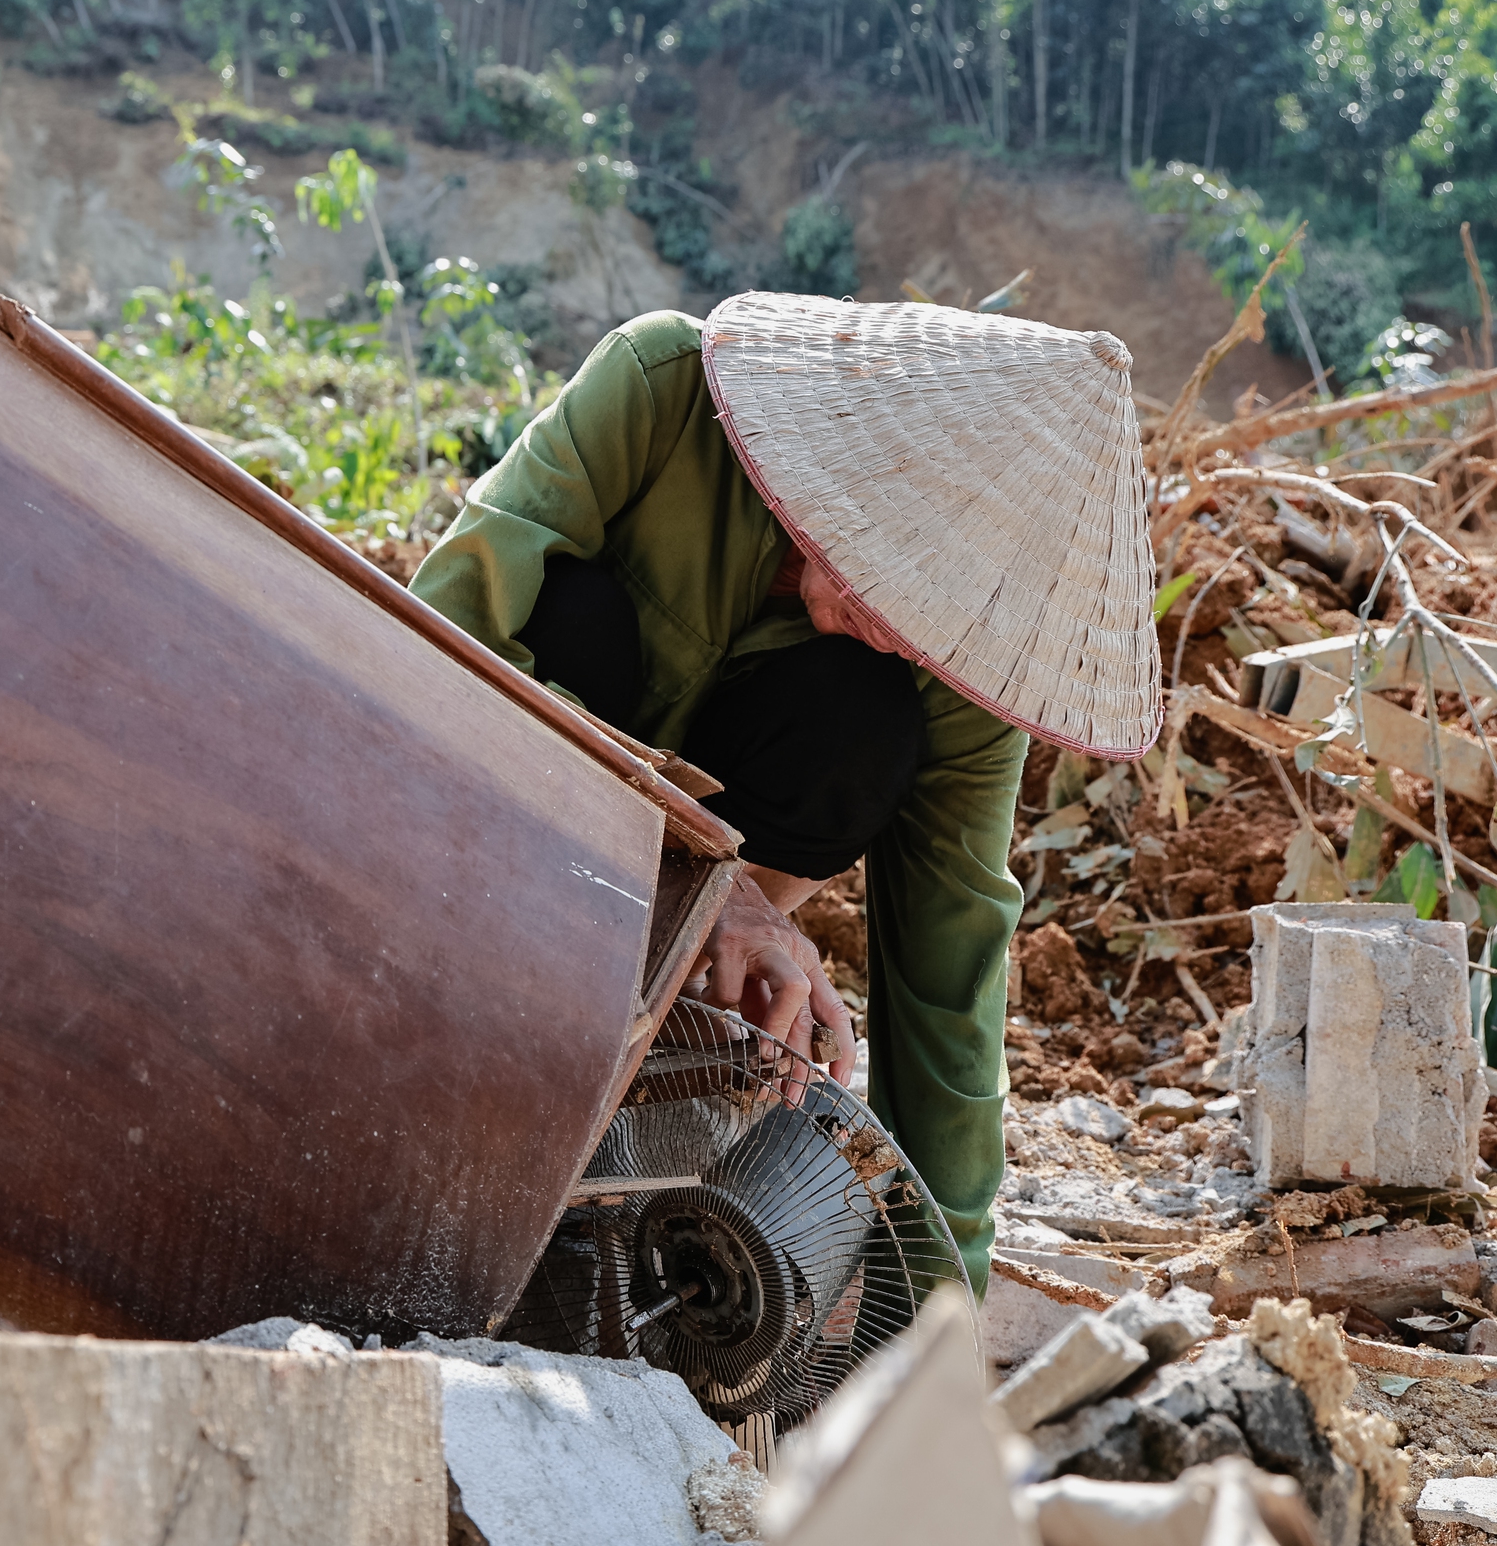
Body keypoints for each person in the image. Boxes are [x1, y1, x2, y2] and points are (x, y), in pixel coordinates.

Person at [409, 291, 1158, 1292]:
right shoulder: (658, 391)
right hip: (496, 823)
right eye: (896, 581)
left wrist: (940, 1316)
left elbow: (947, 980)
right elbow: (436, 641)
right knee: (571, 613)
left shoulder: (953, 675)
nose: (902, 633)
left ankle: (669, 1044)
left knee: (865, 719)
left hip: (708, 911)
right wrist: (697, 881)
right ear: (853, 469)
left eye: (935, 617)